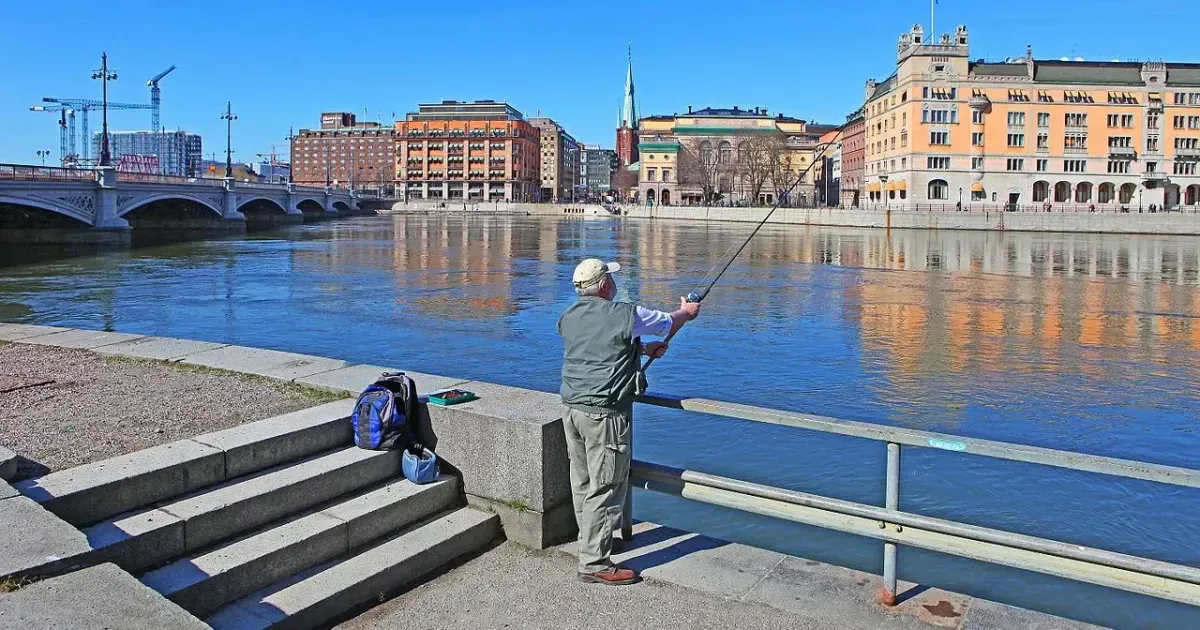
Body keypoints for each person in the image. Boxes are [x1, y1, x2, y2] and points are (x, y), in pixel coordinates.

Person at [557, 258, 700, 585]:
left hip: (572, 408)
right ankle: (594, 563)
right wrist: (687, 313)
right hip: (604, 413)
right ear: (605, 285)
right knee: (605, 485)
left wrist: (639, 349)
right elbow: (669, 321)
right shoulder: (625, 314)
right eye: (610, 277)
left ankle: (591, 541)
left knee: (582, 480)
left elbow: (598, 347)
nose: (613, 281)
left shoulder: (568, 317)